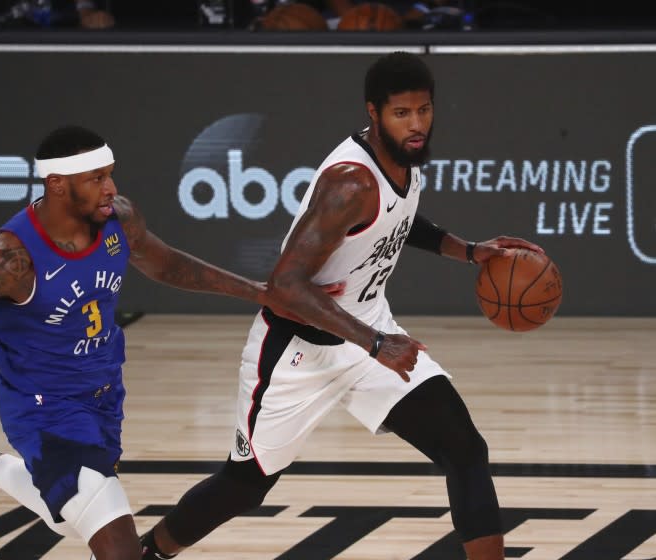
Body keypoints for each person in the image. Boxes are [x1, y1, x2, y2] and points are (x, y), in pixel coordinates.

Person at [139, 52, 545, 560]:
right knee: (244, 486)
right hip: (298, 350)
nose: (417, 125)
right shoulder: (350, 182)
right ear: (373, 113)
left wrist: (467, 250)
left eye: (424, 110)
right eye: (402, 113)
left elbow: (399, 219)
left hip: (367, 331)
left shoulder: (407, 159)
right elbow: (284, 286)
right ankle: (147, 552)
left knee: (464, 448)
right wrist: (375, 344)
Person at [0, 125, 339, 560]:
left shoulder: (118, 220)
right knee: (115, 541)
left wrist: (261, 292)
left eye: (110, 174)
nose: (110, 188)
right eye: (96, 179)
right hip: (44, 411)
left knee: (67, 515)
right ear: (57, 185)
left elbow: (165, 264)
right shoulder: (5, 261)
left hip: (104, 397)